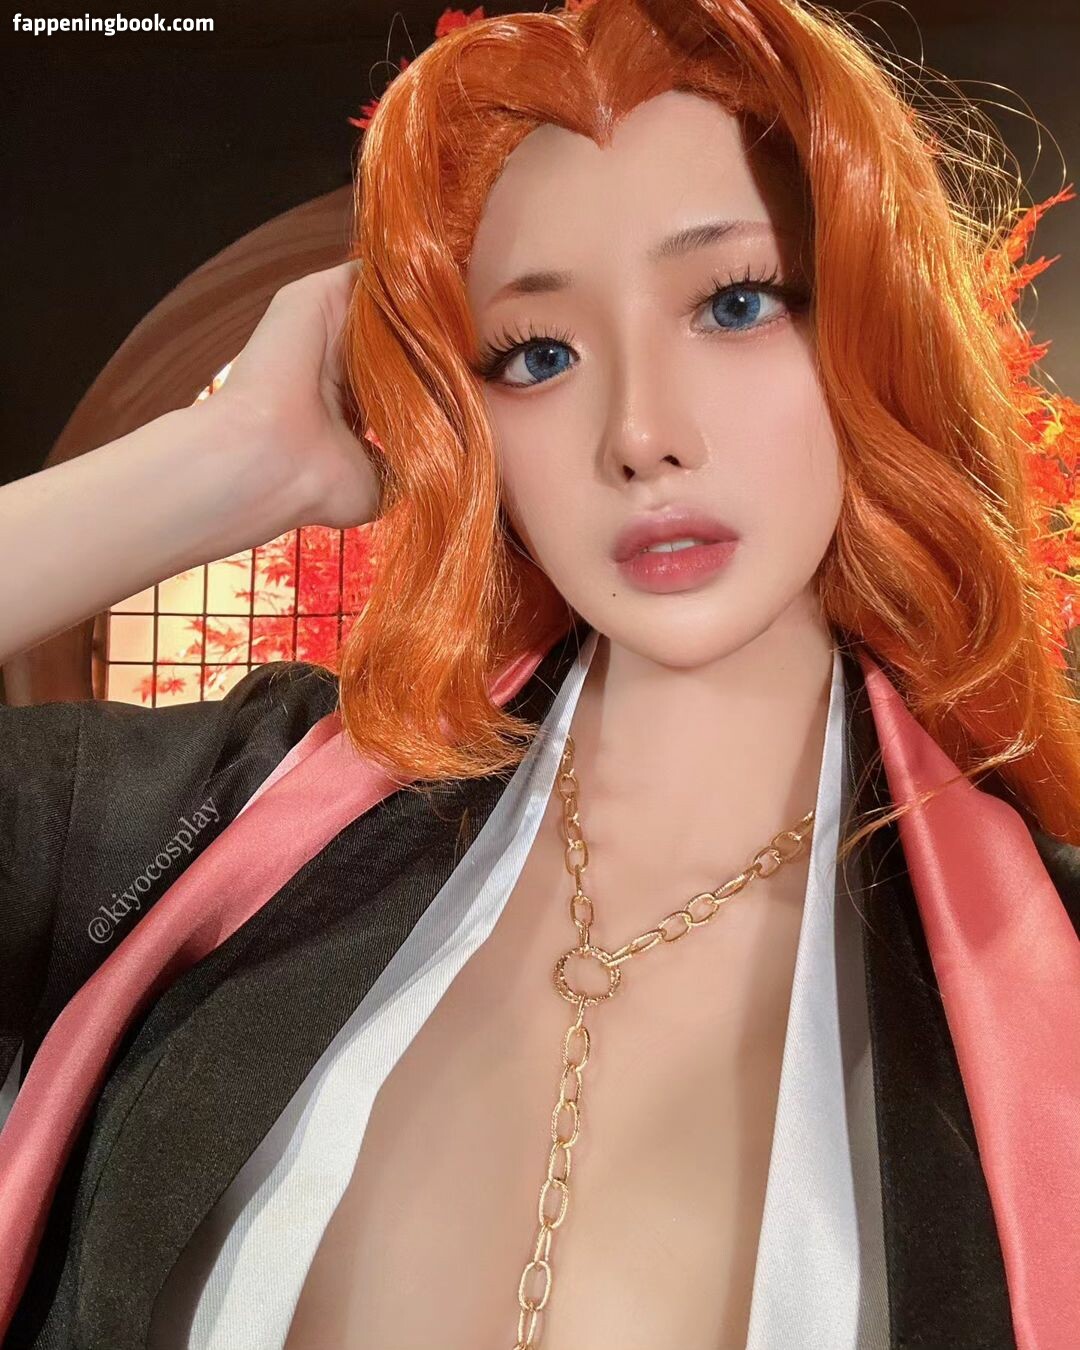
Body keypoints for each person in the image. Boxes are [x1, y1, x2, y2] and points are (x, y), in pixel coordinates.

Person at [1, 0, 1078, 1347]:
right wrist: (230, 462)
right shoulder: (215, 825)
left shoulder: (1044, 984)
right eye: (539, 354)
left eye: (736, 302)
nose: (640, 433)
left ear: (871, 319)